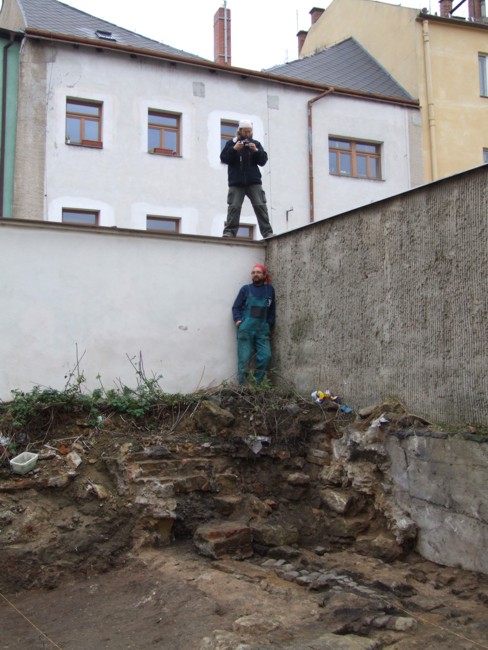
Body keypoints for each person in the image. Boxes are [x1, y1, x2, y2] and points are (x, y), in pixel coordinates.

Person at [220, 119, 273, 239]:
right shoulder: (231, 144)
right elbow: (224, 158)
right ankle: (229, 232)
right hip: (236, 182)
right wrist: (234, 149)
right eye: (245, 131)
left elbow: (263, 160)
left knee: (260, 206)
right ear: (240, 131)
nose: (248, 134)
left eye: (249, 132)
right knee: (234, 207)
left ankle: (267, 232)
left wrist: (256, 151)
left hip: (253, 181)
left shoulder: (256, 144)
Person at [232, 263, 275, 384]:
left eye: (258, 272)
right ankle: (244, 389)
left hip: (262, 329)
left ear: (264, 275)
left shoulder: (270, 290)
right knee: (244, 360)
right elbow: (236, 307)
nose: (255, 274)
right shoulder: (245, 289)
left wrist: (269, 325)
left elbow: (272, 309)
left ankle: (256, 385)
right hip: (246, 329)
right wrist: (238, 320)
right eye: (253, 272)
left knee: (266, 357)